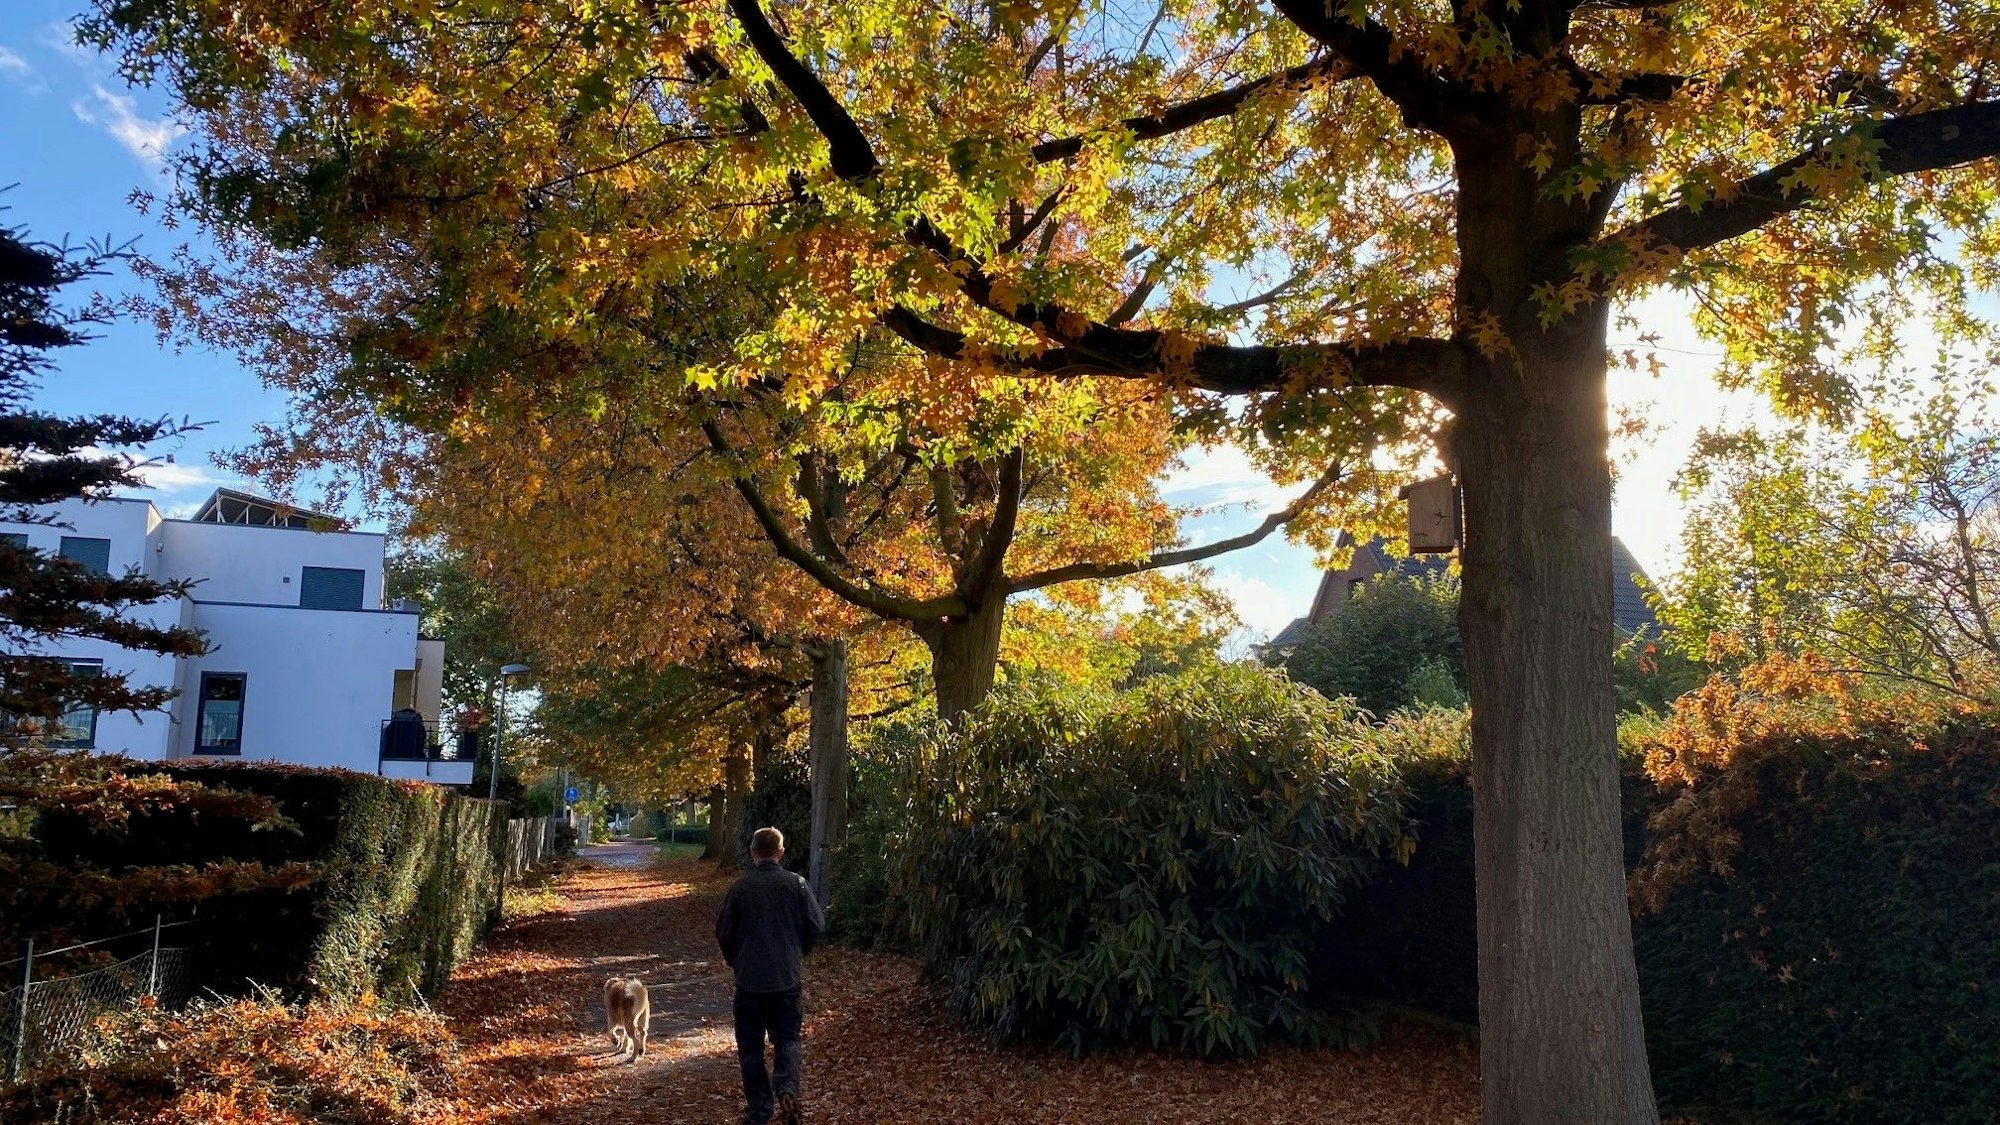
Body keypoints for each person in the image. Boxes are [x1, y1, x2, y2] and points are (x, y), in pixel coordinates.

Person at [715, 826, 825, 1125]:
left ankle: (759, 1110)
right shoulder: (797, 885)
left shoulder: (740, 887)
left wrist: (735, 960)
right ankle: (788, 1088)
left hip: (749, 981)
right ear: (781, 852)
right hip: (786, 978)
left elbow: (723, 931)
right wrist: (796, 952)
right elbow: (816, 926)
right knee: (787, 1039)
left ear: (752, 853)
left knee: (750, 1048)